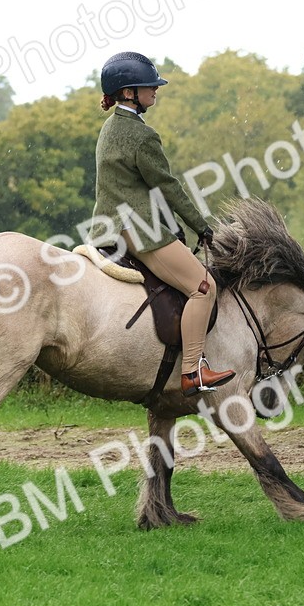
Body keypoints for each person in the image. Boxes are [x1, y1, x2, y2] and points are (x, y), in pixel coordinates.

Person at [90, 51, 236, 396]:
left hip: (109, 226)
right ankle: (192, 372)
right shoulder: (142, 136)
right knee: (203, 286)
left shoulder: (110, 128)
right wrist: (202, 226)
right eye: (149, 86)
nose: (155, 90)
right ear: (129, 93)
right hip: (140, 228)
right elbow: (167, 186)